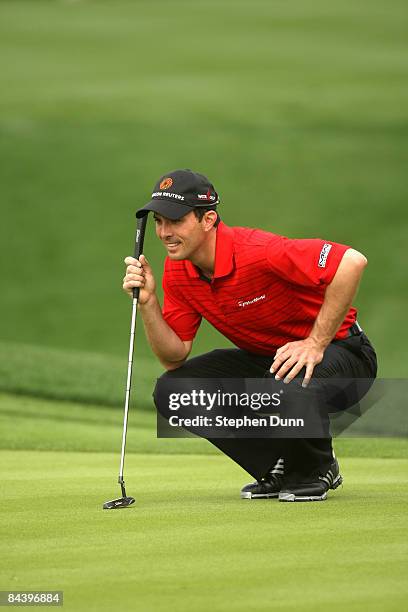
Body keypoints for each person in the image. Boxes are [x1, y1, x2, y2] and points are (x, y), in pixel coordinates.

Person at [122, 169, 377, 502]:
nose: (164, 232)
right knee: (175, 390)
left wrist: (315, 343)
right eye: (158, 221)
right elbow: (174, 356)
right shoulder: (179, 270)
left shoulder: (259, 250)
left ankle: (317, 468)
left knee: (286, 380)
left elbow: (351, 261)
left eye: (175, 221)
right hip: (273, 362)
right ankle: (279, 465)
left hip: (344, 357)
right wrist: (149, 303)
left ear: (208, 219)